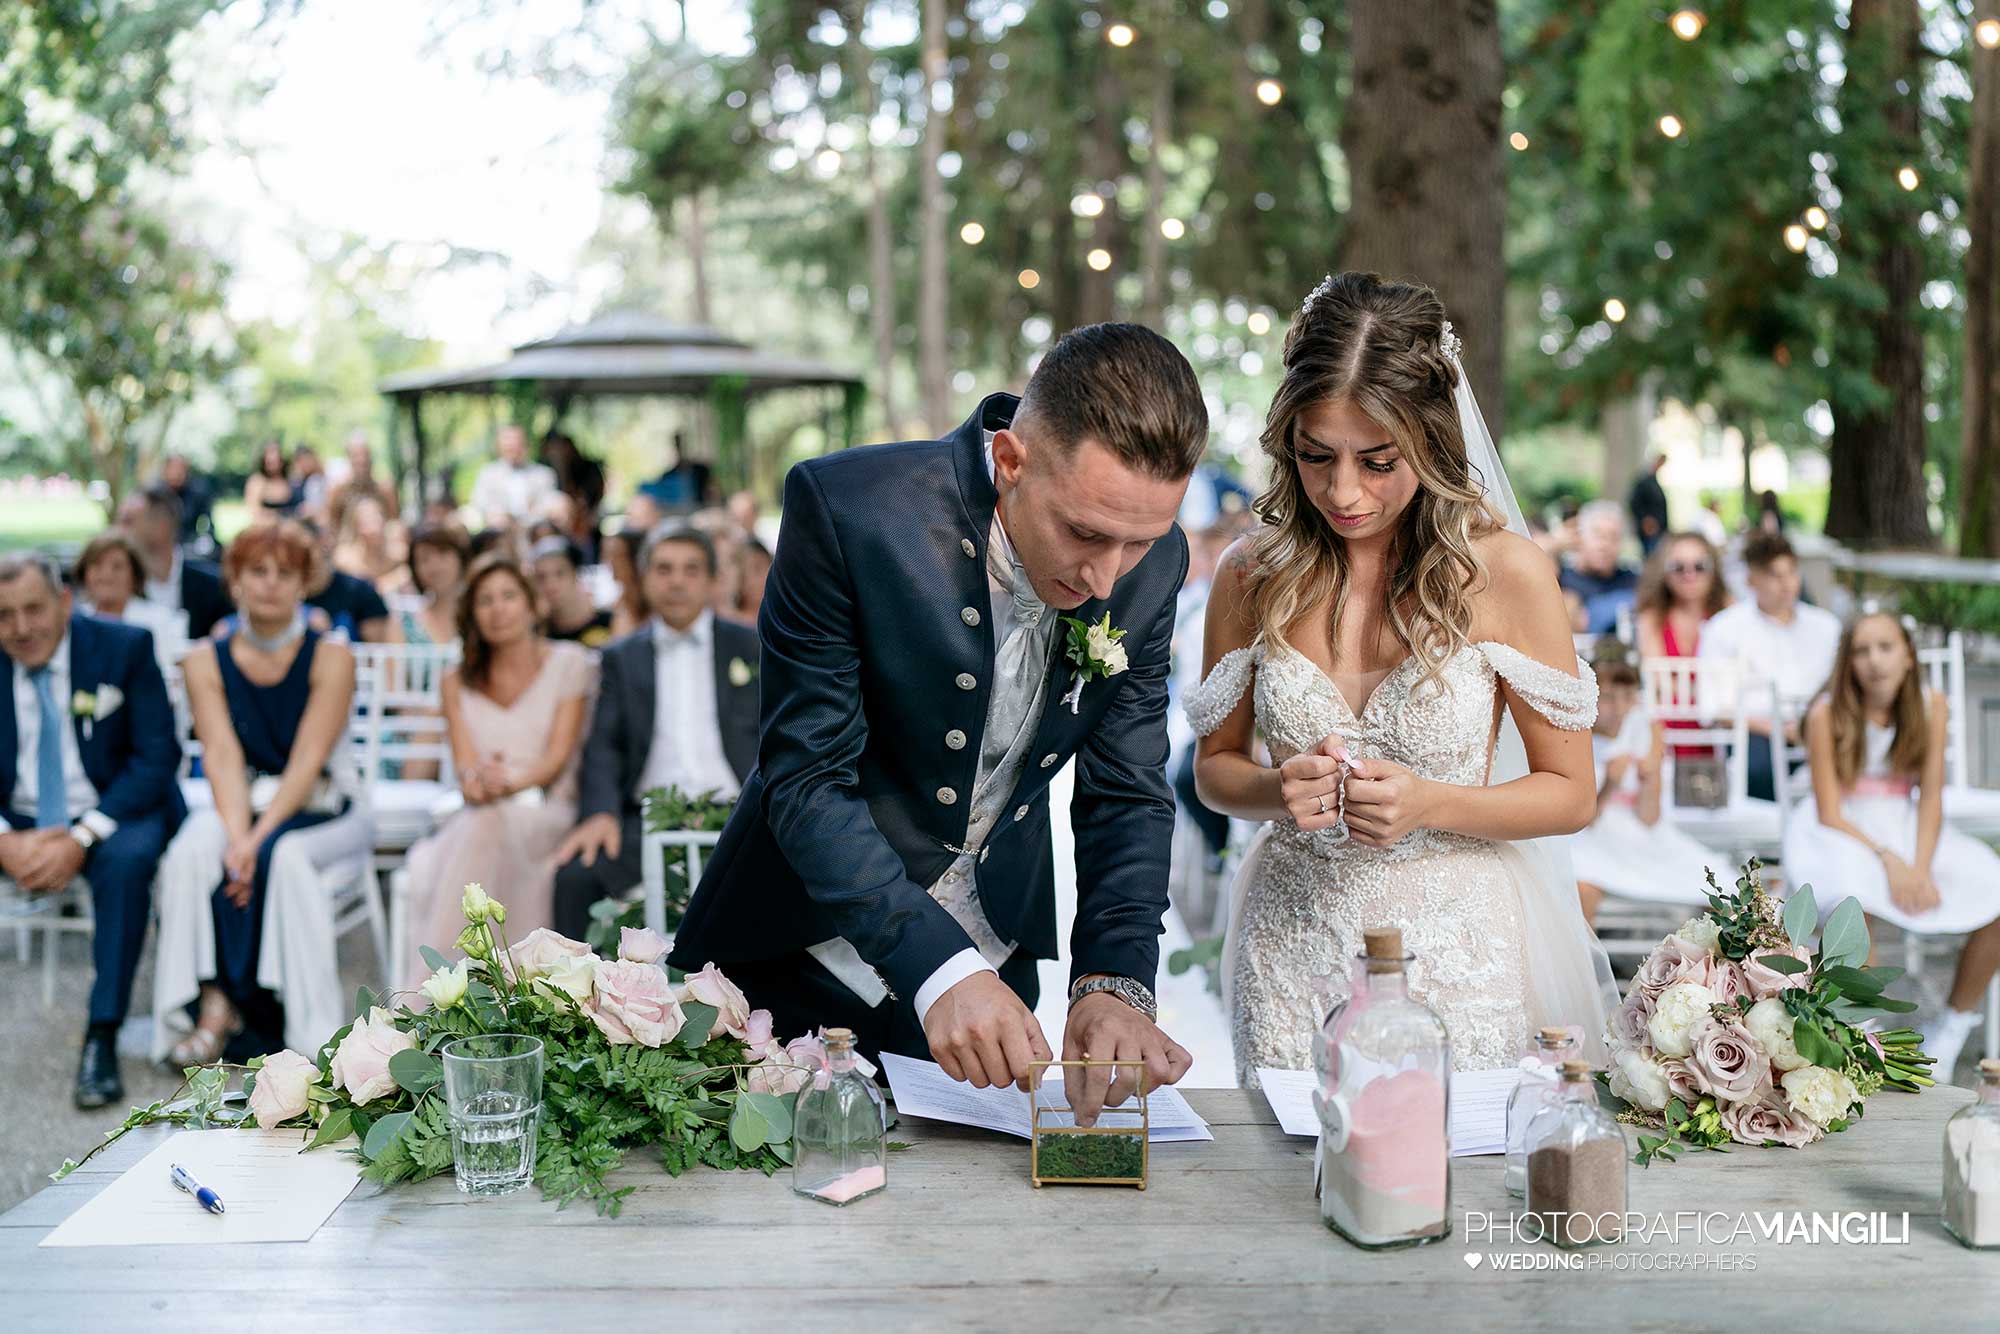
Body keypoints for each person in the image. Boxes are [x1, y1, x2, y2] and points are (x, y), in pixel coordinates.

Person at [669, 322, 1202, 1120]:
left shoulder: (1153, 567)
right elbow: (807, 779)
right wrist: (940, 971)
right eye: (1086, 533)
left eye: (1138, 542)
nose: (1104, 579)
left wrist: (1112, 981)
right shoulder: (849, 510)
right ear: (1010, 459)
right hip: (795, 960)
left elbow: (1125, 790)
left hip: (998, 982)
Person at [1186, 272, 1613, 1082]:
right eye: (1317, 457)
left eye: (1379, 462)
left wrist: (1431, 803)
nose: (1344, 492)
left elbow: (1570, 793)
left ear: (1431, 441)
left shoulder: (1505, 574)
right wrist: (1276, 790)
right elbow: (1214, 771)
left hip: (1457, 953)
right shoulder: (1250, 575)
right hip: (1291, 948)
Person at [151, 522, 374, 1063]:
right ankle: (205, 1007)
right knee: (189, 851)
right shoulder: (204, 660)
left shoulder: (332, 657)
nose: (271, 584)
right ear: (235, 582)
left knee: (284, 857)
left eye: (285, 573)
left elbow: (306, 762)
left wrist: (252, 844)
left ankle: (301, 1027)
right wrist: (236, 837)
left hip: (324, 803)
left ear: (304, 584)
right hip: (240, 800)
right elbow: (222, 757)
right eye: (258, 571)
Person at [0, 554, 184, 1107]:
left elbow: (156, 757)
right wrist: (4, 840)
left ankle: (101, 1035)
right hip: (20, 816)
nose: (22, 628)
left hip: (114, 806)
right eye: (4, 615)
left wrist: (81, 837)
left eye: (33, 609)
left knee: (126, 864)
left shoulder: (123, 647)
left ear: (63, 603)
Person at [1782, 611, 2000, 1078]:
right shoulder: (1827, 714)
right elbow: (1829, 811)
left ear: (1907, 656)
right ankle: (1871, 1037)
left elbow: (1931, 798)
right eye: (1861, 651)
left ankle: (1954, 1024)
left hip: (1907, 826)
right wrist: (1890, 862)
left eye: (1885, 647)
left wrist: (1919, 868)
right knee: (1852, 904)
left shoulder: (1931, 704)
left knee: (1993, 888)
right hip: (1840, 829)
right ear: (1849, 661)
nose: (1874, 661)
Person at [550, 526, 759, 938]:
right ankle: (577, 999)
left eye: (691, 570)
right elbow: (604, 744)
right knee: (575, 879)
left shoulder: (752, 648)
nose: (677, 581)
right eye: (664, 569)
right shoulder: (621, 657)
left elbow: (776, 734)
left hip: (740, 816)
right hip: (647, 820)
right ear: (644, 578)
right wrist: (600, 812)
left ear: (711, 580)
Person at [400, 556, 596, 989]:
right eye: (485, 601)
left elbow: (556, 760)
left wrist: (509, 782)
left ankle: (433, 992)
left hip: (548, 809)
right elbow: (466, 766)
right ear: (472, 615)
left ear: (533, 606)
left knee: (483, 828)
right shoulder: (456, 680)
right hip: (480, 811)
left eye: (509, 596)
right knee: (482, 825)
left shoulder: (570, 662)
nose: (498, 609)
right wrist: (477, 783)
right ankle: (491, 986)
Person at [1570, 644, 1727, 924]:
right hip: (1591, 836)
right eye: (1607, 697)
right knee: (1582, 882)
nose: (1618, 708)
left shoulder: (1647, 732)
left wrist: (1649, 776)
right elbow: (1582, 820)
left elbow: (1649, 817)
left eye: (1627, 697)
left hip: (1640, 834)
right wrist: (1609, 786)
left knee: (1714, 882)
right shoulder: (1580, 738)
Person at [1697, 531, 1842, 801]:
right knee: (1758, 768)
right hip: (1756, 732)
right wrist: (1776, 728)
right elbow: (1715, 706)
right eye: (1775, 575)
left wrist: (1808, 725)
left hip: (1820, 724)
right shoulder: (1725, 628)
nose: (1787, 584)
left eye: (1791, 573)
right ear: (1752, 580)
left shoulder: (1826, 627)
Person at [128, 485, 233, 639]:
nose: (118, 529)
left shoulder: (214, 587)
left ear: (161, 526)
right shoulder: (119, 585)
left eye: (128, 521)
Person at [1633, 531, 1730, 663]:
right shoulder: (1651, 618)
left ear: (1714, 570)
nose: (1689, 575)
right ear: (1664, 573)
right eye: (1678, 567)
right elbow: (1655, 678)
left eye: (1700, 566)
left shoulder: (1730, 612)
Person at [73, 530, 182, 645]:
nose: (106, 574)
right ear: (84, 572)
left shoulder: (161, 621)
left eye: (117, 567)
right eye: (97, 564)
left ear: (134, 575)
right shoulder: (73, 622)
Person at [1559, 500, 1640, 635]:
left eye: (1613, 537)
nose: (1605, 545)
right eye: (1598, 535)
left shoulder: (1633, 582)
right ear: (1579, 536)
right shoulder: (1560, 580)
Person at [529, 536, 614, 647]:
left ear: (575, 575)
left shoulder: (611, 621)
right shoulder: (537, 634)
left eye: (560, 573)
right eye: (541, 577)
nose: (551, 585)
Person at [396, 523, 471, 649]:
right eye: (424, 559)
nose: (435, 566)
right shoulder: (403, 623)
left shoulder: (481, 618)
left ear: (459, 557)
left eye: (443, 553)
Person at [471, 425, 559, 529]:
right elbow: (479, 502)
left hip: (536, 522)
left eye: (517, 445)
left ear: (526, 446)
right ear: (500, 448)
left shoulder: (543, 473)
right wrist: (500, 513)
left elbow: (550, 499)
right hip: (501, 524)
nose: (514, 451)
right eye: (509, 447)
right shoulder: (488, 473)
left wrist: (535, 510)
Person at [332, 493, 409, 593]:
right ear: (356, 526)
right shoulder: (344, 559)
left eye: (377, 516)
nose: (375, 526)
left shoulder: (398, 555)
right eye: (367, 520)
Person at [328, 431, 395, 532]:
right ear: (349, 458)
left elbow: (394, 523)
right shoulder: (338, 490)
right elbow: (332, 524)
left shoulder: (384, 489)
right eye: (356, 455)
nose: (361, 460)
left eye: (365, 454)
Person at [159, 454, 215, 552]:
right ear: (165, 471)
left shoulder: (197, 493)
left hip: (188, 546)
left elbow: (207, 521)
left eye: (181, 469)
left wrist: (205, 538)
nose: (177, 474)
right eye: (174, 469)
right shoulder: (156, 495)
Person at [599, 527, 648, 638]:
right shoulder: (618, 603)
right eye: (608, 555)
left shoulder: (653, 602)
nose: (610, 562)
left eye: (618, 556)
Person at [1627, 450, 1671, 557]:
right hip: (1650, 532)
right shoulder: (1644, 482)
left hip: (1659, 531)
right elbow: (1634, 503)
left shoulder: (1654, 482)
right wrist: (1645, 520)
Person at [720, 536, 771, 626]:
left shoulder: (781, 622)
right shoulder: (726, 622)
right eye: (757, 569)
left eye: (770, 567)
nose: (766, 575)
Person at [244, 442, 297, 518]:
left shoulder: (291, 479)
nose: (273, 465)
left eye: (276, 461)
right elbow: (254, 510)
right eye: (270, 463)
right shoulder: (257, 481)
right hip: (266, 525)